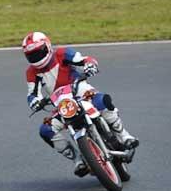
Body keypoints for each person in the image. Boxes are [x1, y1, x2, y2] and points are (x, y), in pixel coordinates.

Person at [23, 31, 139, 176]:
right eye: (31, 55)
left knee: (103, 101)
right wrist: (34, 101)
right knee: (45, 130)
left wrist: (90, 65)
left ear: (47, 46)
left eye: (38, 52)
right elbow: (32, 93)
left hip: (81, 93)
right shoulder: (32, 72)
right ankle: (78, 160)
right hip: (63, 104)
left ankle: (124, 135)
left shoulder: (63, 53)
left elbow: (85, 59)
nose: (35, 57)